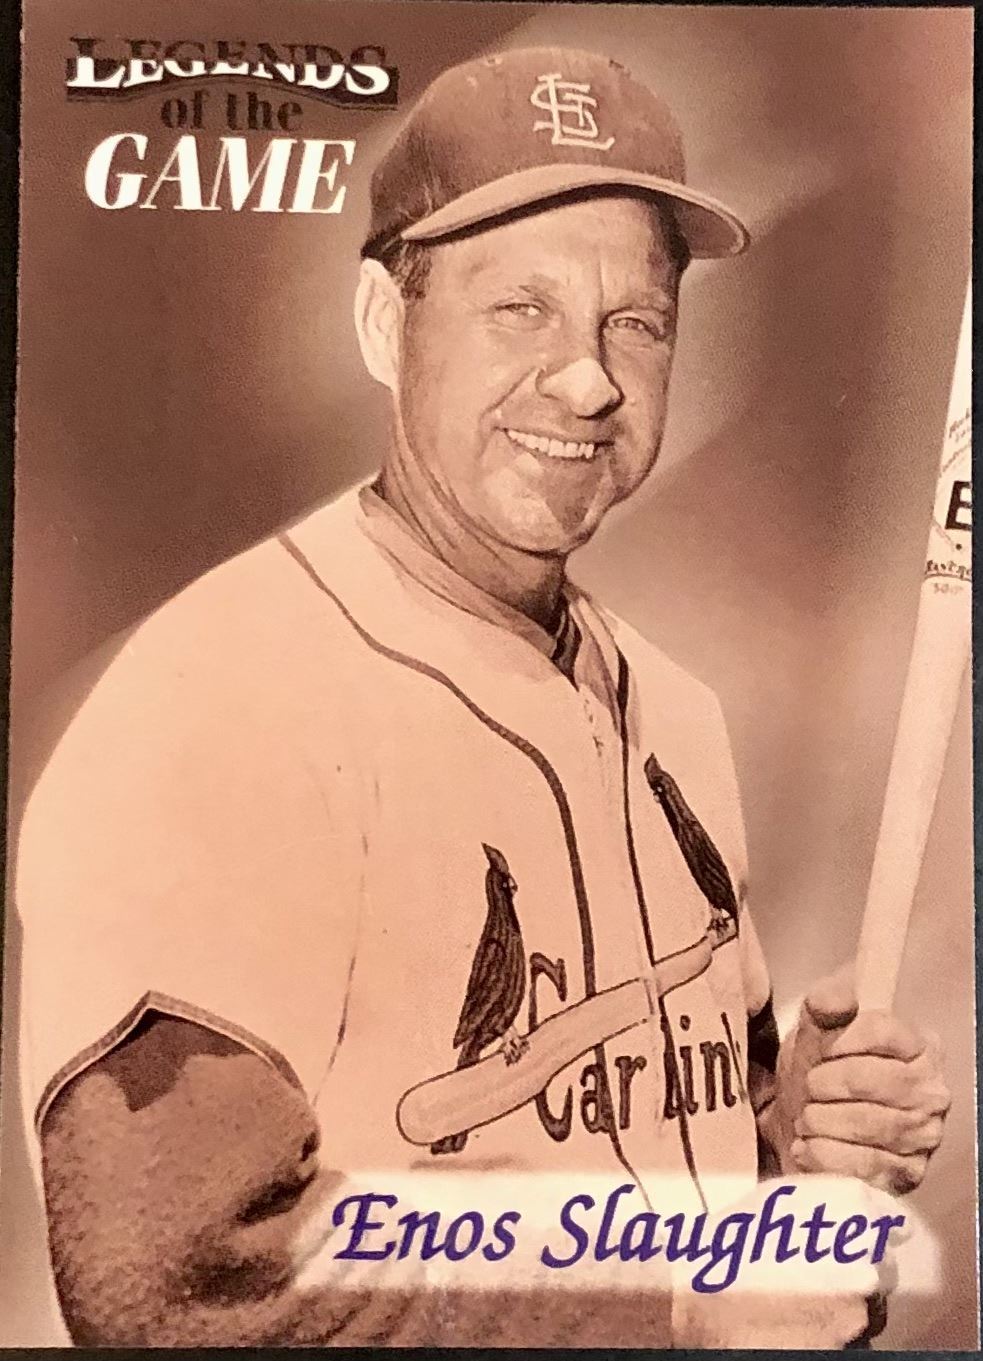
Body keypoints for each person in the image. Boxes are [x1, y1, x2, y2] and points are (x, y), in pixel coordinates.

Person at [14, 46, 950, 1348]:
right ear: (384, 325)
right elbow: (178, 1282)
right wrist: (672, 1308)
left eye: (636, 322)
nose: (589, 378)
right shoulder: (211, 703)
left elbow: (670, 1190)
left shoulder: (673, 708)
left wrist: (788, 1145)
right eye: (521, 308)